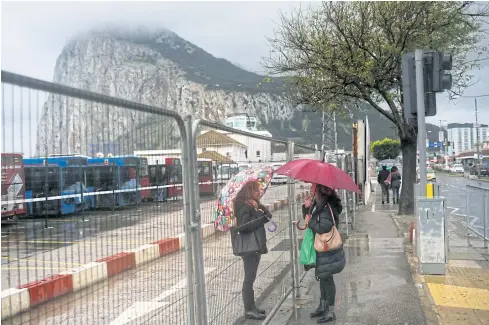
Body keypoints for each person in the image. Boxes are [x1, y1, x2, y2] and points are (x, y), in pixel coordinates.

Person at [302, 184, 346, 323]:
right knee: (323, 277)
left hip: (326, 249)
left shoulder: (325, 207)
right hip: (323, 248)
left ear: (319, 191)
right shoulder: (319, 204)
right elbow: (310, 219)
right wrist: (306, 207)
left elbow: (323, 227)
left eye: (312, 188)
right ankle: (323, 306)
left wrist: (310, 223)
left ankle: (330, 311)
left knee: (327, 279)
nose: (310, 190)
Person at [233, 181, 272, 320]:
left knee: (251, 278)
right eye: (256, 190)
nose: (259, 192)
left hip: (255, 246)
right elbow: (244, 226)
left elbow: (268, 217)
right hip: (250, 248)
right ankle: (249, 310)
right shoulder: (243, 205)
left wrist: (259, 207)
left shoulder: (252, 205)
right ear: (249, 191)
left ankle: (252, 306)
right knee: (248, 279)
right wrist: (257, 213)